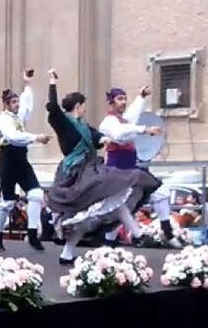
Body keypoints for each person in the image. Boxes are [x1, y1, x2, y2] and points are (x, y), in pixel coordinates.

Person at [43, 70, 163, 264]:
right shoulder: (64, 122)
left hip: (90, 168)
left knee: (106, 202)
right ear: (78, 106)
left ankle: (67, 253)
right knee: (105, 197)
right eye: (83, 106)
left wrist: (104, 138)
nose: (85, 109)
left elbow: (96, 136)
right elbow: (53, 107)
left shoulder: (83, 124)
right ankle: (137, 233)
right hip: (75, 173)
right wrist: (52, 82)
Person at [97, 86, 181, 247]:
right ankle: (113, 240)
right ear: (111, 102)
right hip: (117, 171)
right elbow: (120, 134)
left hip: (131, 170)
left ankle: (167, 232)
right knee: (119, 205)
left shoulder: (123, 120)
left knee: (159, 192)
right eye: (119, 99)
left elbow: (132, 116)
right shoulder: (108, 122)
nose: (123, 102)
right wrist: (144, 129)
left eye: (124, 99)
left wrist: (141, 97)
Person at [0, 70, 50, 251]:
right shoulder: (3, 120)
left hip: (21, 159)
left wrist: (27, 83)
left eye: (17, 102)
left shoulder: (18, 116)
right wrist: (36, 138)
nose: (17, 105)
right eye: (13, 102)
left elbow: (28, 103)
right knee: (8, 202)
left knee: (36, 194)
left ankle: (32, 233)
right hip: (8, 159)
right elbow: (14, 137)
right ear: (5, 104)